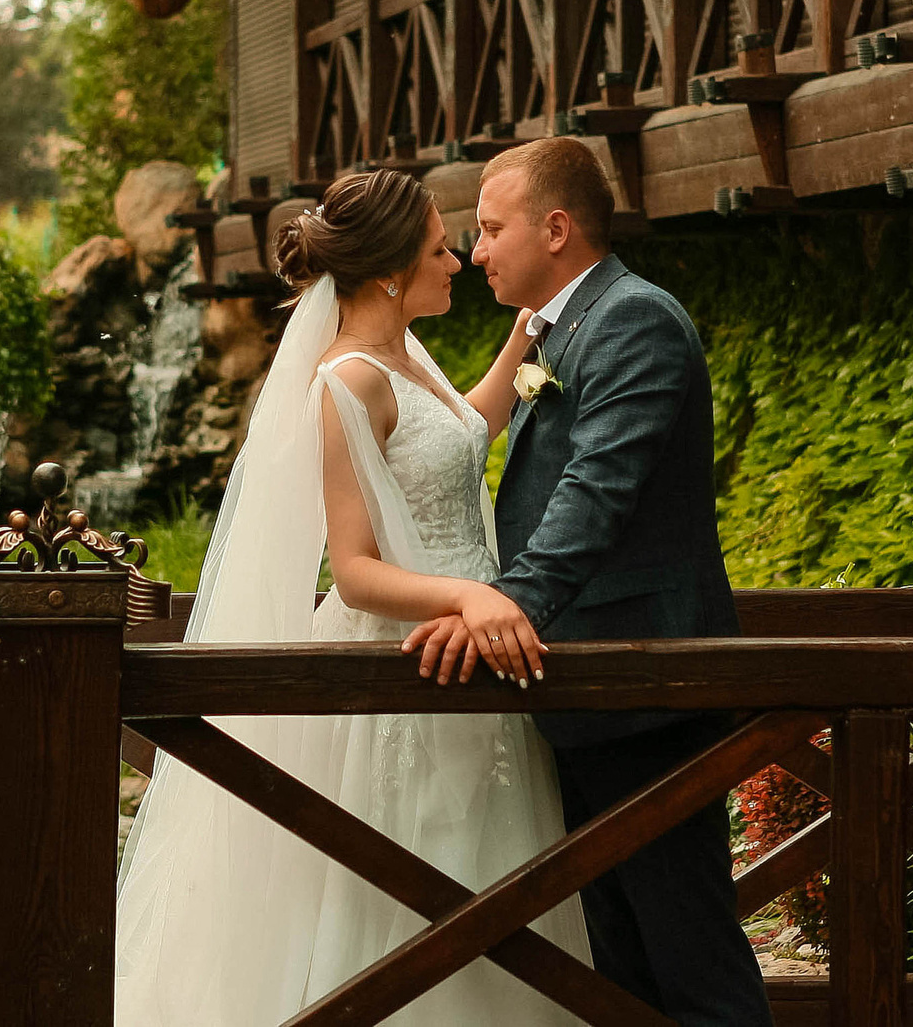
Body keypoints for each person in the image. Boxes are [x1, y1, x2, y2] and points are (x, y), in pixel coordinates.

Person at [112, 168, 591, 1026]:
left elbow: (460, 435)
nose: (457, 262)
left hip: (477, 644)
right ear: (386, 273)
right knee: (410, 877)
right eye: (439, 249)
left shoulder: (408, 355)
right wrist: (468, 600)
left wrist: (523, 342)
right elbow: (358, 567)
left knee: (486, 870)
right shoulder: (346, 380)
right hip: (407, 659)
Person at [405, 136, 770, 1027]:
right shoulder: (564, 325)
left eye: (491, 230)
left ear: (557, 228)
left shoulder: (632, 321)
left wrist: (507, 604)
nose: (477, 249)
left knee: (692, 959)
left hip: (648, 690)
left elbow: (597, 489)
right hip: (589, 686)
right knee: (623, 960)